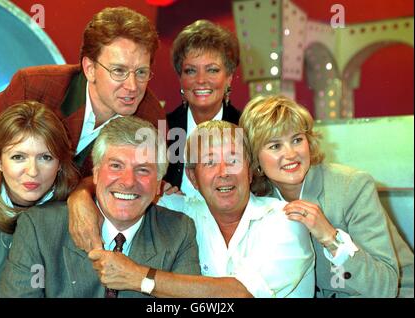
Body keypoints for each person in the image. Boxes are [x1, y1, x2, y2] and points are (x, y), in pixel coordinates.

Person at [64, 120, 315, 297]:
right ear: (193, 178)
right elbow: (127, 189)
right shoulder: (181, 212)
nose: (223, 173)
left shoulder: (285, 221)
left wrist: (141, 277)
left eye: (233, 160)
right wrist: (80, 195)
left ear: (250, 170)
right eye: (209, 162)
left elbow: (242, 294)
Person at [0, 116, 200, 298]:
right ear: (94, 174)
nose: (128, 181)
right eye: (116, 166)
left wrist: (143, 279)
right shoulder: (39, 227)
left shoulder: (179, 231)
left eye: (143, 170)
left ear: (158, 184)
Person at [239, 94, 414, 298]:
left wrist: (331, 238)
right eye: (275, 146)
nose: (291, 154)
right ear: (254, 157)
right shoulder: (258, 199)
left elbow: (385, 288)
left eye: (297, 140)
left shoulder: (352, 187)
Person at [0, 6, 165, 182]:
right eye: (118, 71)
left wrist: (84, 193)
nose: (132, 86)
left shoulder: (150, 117)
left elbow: (132, 184)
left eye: (141, 72)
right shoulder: (35, 86)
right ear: (90, 68)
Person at [0, 101, 80, 298]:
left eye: (45, 157)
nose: (33, 172)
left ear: (60, 163)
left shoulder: (75, 214)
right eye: (18, 157)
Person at [164, 20, 242, 196]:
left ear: (229, 77)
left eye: (212, 70)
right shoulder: (162, 128)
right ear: (180, 78)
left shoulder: (246, 128)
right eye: (191, 71)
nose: (201, 80)